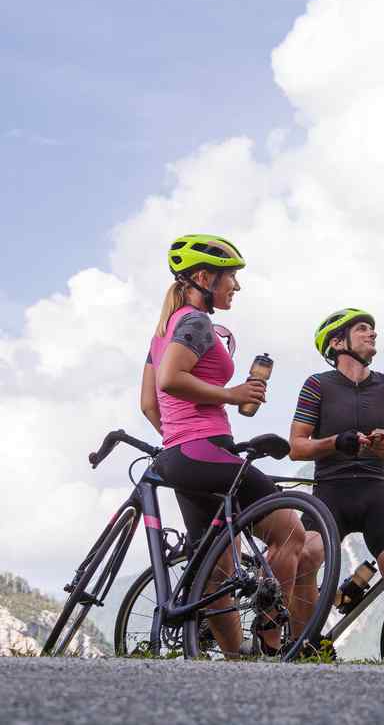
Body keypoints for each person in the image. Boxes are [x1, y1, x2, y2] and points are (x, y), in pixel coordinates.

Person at [140, 233, 305, 656]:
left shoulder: (163, 331)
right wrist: (232, 395)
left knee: (216, 565)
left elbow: (148, 403)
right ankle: (270, 644)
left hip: (178, 456)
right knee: (290, 531)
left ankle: (235, 661)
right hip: (205, 447)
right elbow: (170, 380)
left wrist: (179, 437)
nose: (236, 287)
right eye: (231, 277)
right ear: (203, 277)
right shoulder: (196, 322)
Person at [288, 309, 384, 662]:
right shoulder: (317, 385)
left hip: (374, 489)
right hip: (330, 492)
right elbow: (296, 446)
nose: (372, 334)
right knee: (308, 554)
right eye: (363, 329)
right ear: (338, 343)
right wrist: (336, 442)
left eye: (373, 329)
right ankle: (303, 646)